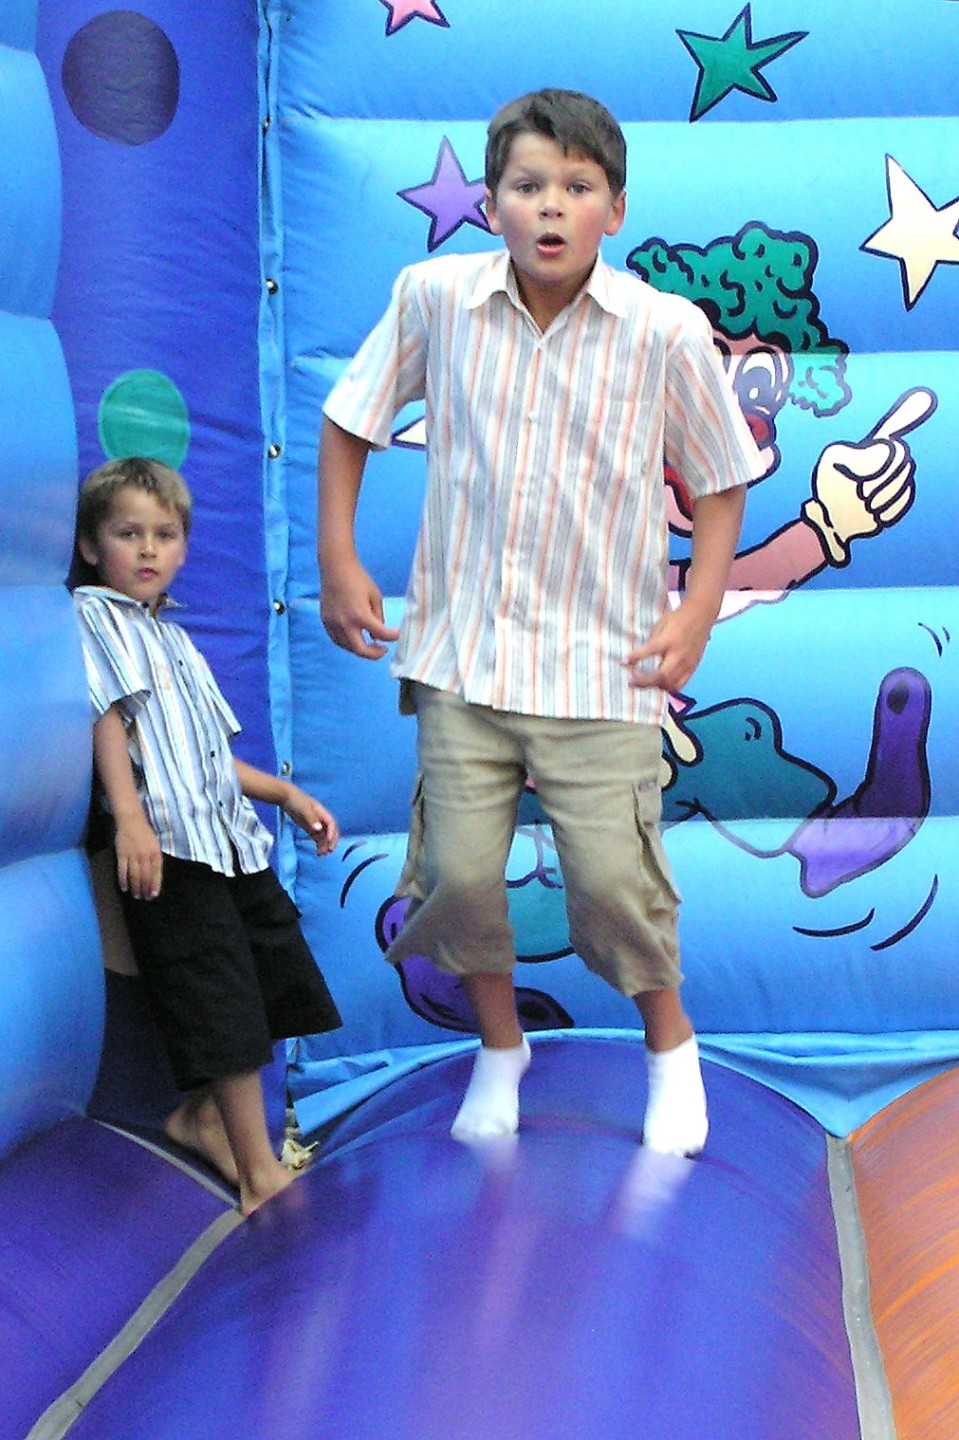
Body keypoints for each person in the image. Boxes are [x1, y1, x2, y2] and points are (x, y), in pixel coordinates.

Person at [317, 88, 764, 1154]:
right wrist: (337, 557)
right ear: (491, 203)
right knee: (460, 877)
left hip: (599, 664)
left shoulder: (660, 328)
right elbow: (350, 418)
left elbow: (719, 479)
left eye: (575, 186)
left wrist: (696, 611)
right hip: (463, 656)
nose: (550, 206)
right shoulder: (435, 298)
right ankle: (499, 1046)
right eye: (526, 186)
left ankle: (670, 1049)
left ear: (615, 208)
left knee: (612, 883)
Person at [73, 457, 342, 1215]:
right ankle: (258, 1173)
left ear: (184, 547)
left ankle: (203, 1119)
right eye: (128, 534)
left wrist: (284, 793)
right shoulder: (94, 616)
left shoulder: (174, 639)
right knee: (217, 999)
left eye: (164, 535)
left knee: (270, 979)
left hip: (227, 842)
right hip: (169, 846)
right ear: (91, 547)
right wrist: (129, 819)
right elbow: (107, 717)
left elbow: (212, 756)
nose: (148, 549)